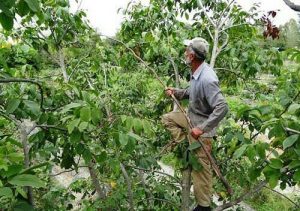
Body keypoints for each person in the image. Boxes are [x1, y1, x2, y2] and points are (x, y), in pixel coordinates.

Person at [161, 37, 229, 211]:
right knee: (167, 118)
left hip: (202, 128)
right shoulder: (197, 71)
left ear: (191, 56)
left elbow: (222, 107)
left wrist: (202, 128)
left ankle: (203, 206)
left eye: (186, 50)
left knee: (202, 171)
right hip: (192, 118)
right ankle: (186, 141)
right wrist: (175, 92)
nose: (184, 52)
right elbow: (190, 92)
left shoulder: (207, 78)